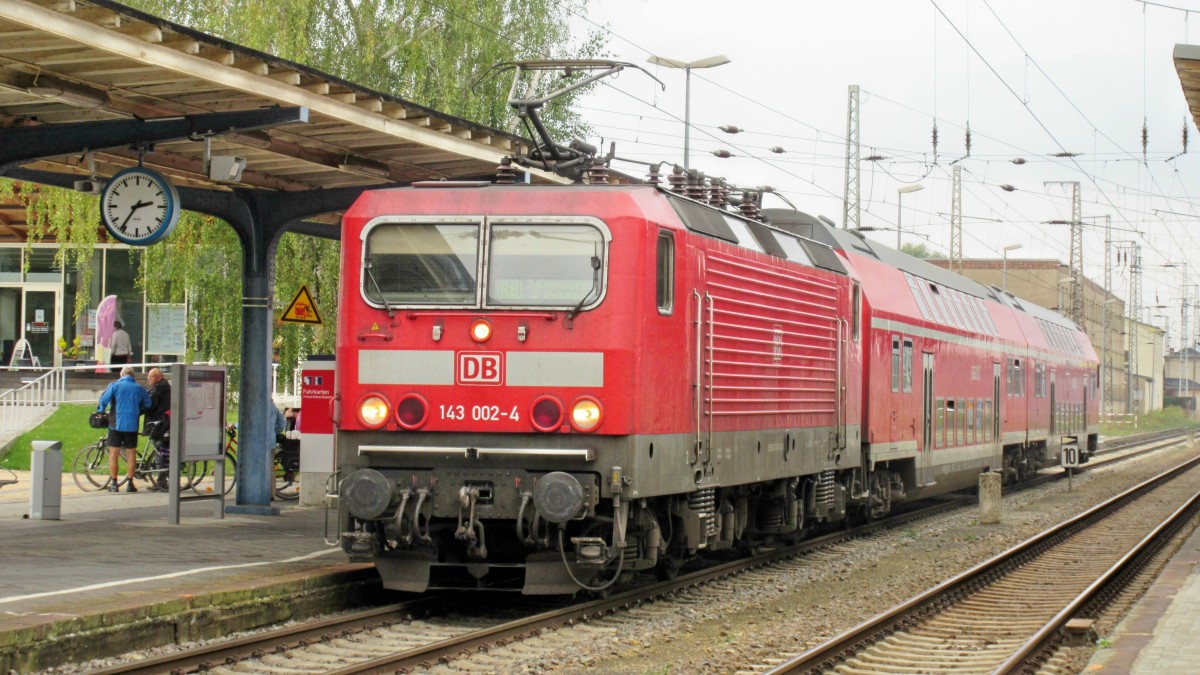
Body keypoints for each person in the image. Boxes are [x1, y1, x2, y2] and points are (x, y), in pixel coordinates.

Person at [97, 366, 151, 492]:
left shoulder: (114, 385)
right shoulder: (139, 388)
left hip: (115, 425)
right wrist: (138, 411)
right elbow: (148, 404)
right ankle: (130, 484)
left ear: (122, 375)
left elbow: (103, 400)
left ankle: (114, 484)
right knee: (131, 454)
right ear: (133, 376)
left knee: (113, 454)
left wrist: (100, 411)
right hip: (132, 425)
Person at [144, 368, 171, 489]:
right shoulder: (166, 387)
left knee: (158, 453)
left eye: (151, 377)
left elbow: (147, 405)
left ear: (159, 377)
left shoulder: (158, 390)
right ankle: (162, 480)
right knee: (161, 451)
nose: (148, 379)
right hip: (165, 424)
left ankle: (161, 482)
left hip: (158, 425)